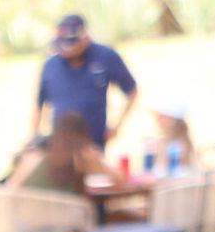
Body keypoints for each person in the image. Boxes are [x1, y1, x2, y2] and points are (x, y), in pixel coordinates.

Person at [31, 12, 136, 153]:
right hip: (60, 146)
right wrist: (35, 137)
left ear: (84, 37)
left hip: (94, 144)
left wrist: (117, 124)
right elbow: (39, 104)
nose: (65, 51)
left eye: (70, 45)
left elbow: (132, 91)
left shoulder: (106, 56)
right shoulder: (50, 65)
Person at [7, 107, 117, 197]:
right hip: (67, 221)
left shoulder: (32, 160)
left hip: (32, 220)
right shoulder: (82, 161)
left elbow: (9, 191)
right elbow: (120, 180)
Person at [143, 94, 197, 176]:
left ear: (173, 119)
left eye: (161, 116)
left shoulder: (181, 147)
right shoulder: (154, 145)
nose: (157, 120)